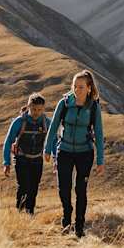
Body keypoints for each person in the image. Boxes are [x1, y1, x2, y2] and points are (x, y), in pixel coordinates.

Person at [44, 70, 106, 238]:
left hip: (84, 153)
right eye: (74, 86)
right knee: (64, 188)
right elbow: (53, 127)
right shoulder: (64, 103)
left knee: (81, 190)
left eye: (81, 87)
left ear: (89, 88)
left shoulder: (93, 107)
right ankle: (66, 218)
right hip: (64, 151)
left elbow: (99, 134)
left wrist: (100, 160)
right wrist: (47, 149)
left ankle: (79, 226)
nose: (77, 90)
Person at [2, 93, 50, 214]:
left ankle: (30, 213)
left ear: (43, 109)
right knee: (23, 186)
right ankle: (19, 211)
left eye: (39, 110)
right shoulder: (19, 122)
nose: (36, 112)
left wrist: (53, 156)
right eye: (34, 109)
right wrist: (6, 163)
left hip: (37, 159)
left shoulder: (47, 122)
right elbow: (8, 141)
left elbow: (53, 140)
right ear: (28, 107)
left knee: (34, 188)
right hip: (21, 159)